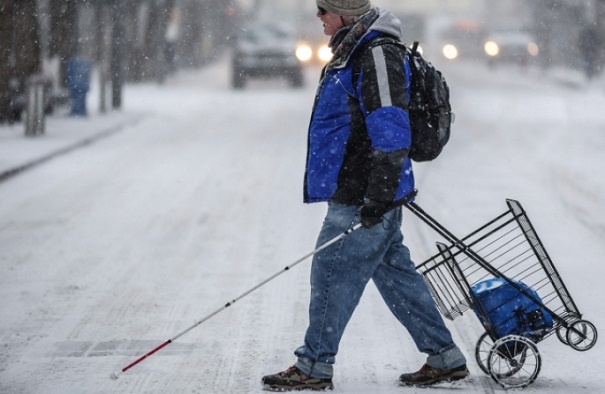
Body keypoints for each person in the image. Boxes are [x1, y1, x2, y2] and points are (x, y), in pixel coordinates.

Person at [261, 0, 468, 391]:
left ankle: (314, 365)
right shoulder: (354, 51)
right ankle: (444, 356)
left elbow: (390, 125)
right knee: (397, 279)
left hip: (364, 193)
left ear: (346, 13)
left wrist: (379, 195)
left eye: (324, 9)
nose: (318, 17)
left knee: (330, 274)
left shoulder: (376, 55)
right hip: (362, 190)